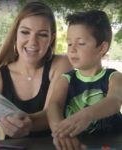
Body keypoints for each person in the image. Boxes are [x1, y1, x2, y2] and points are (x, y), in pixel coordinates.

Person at [0, 1, 72, 139]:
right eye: (25, 32)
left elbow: (53, 111)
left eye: (42, 34)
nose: (32, 42)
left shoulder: (61, 64)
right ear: (15, 35)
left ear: (51, 39)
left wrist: (29, 124)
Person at [47, 10, 122, 150]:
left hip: (112, 144)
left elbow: (115, 100)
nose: (72, 50)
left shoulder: (114, 77)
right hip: (76, 145)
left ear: (102, 48)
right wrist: (60, 132)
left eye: (80, 43)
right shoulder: (66, 79)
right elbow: (54, 105)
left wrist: (88, 114)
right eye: (69, 44)